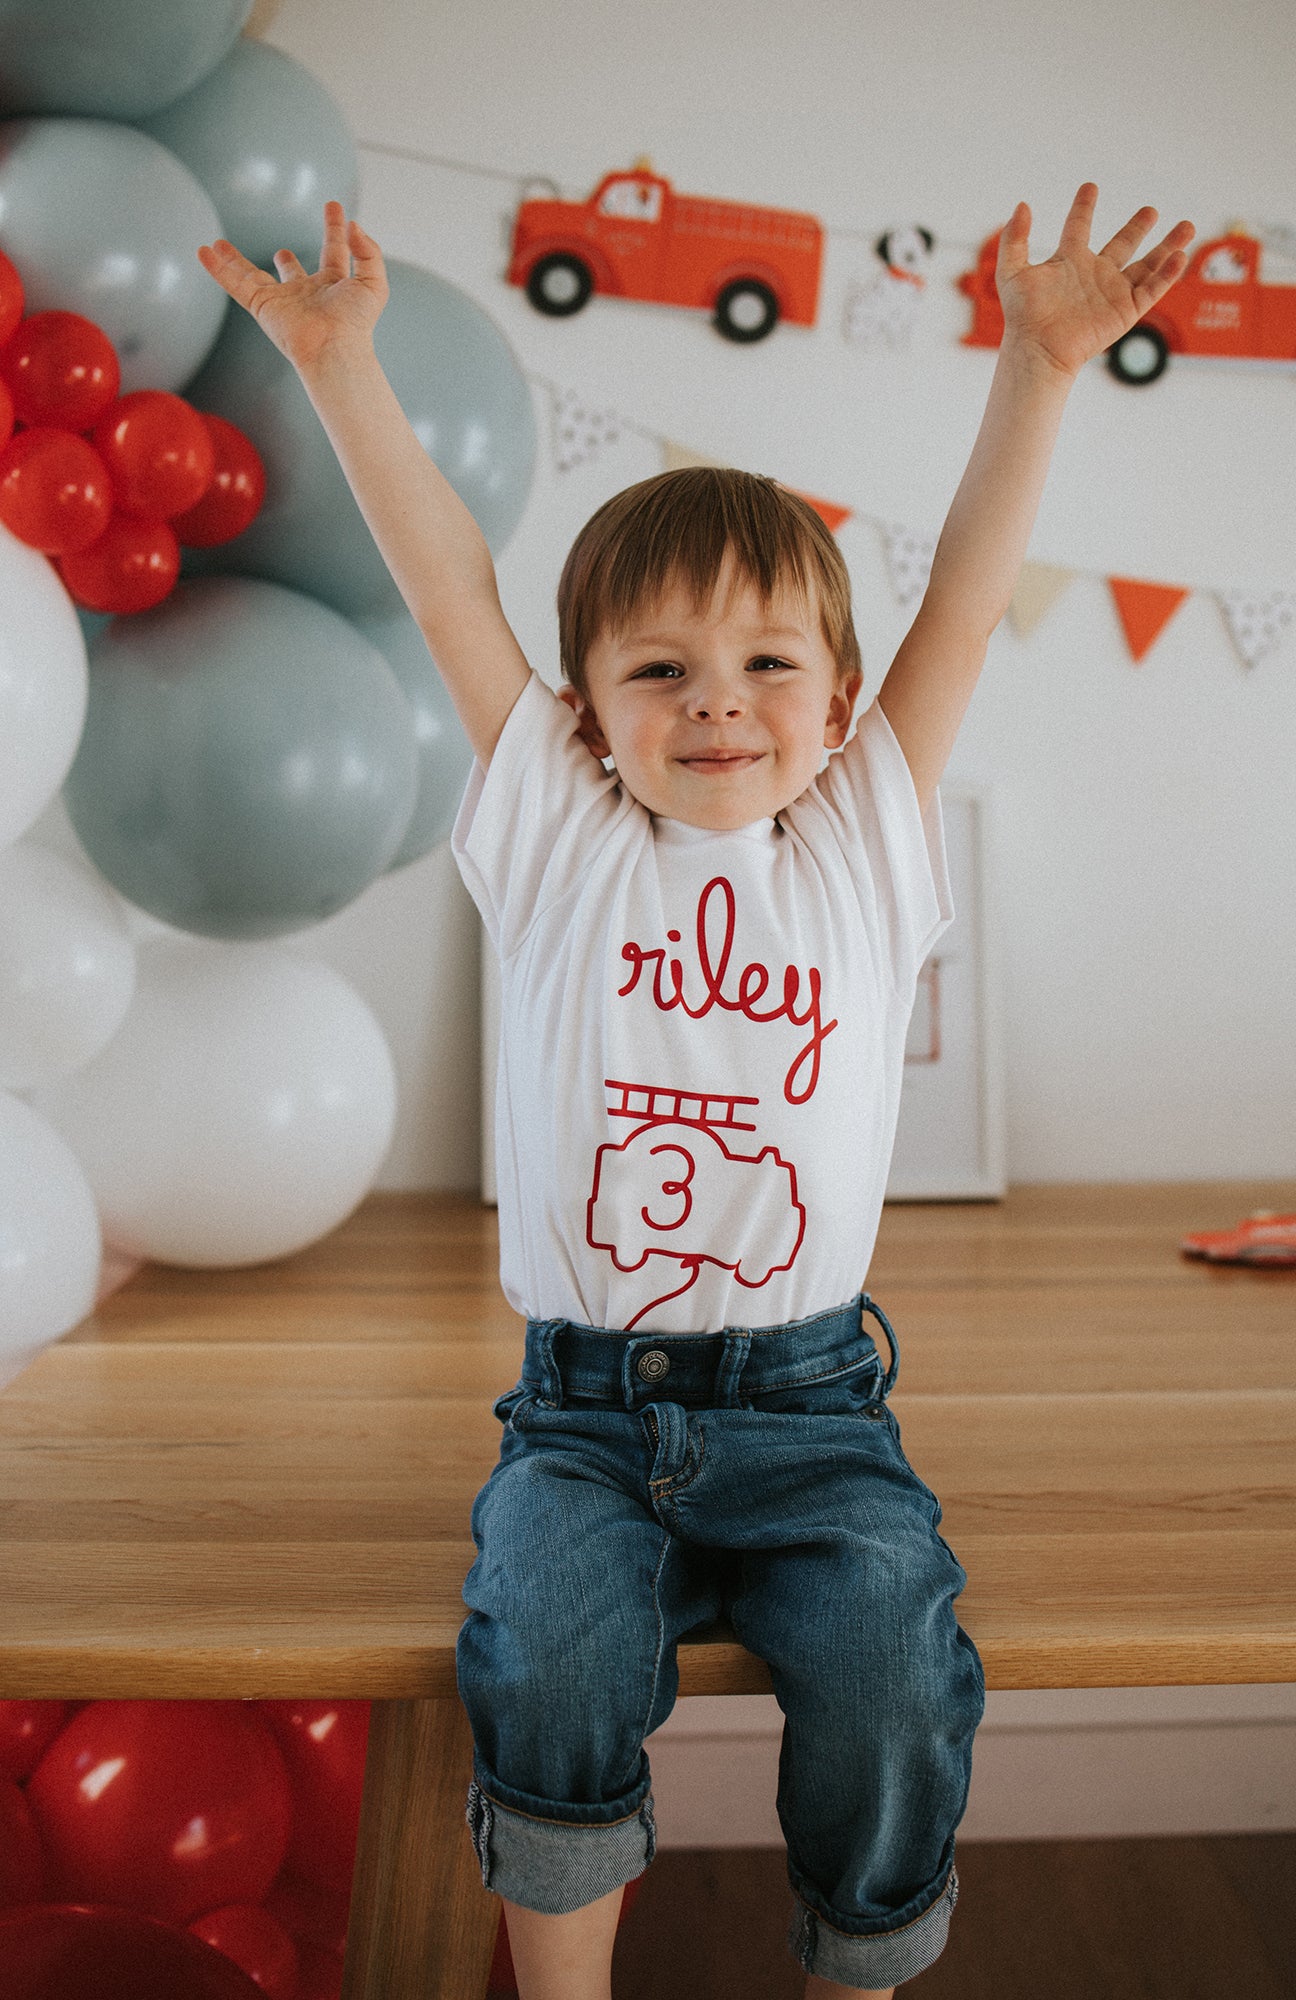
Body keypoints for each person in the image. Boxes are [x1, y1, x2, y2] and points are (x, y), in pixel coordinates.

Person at [199, 185, 1193, 1999]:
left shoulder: (864, 846)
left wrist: (1039, 367)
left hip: (813, 1413)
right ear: (583, 709)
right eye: (657, 668)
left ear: (834, 709)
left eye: (763, 668)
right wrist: (342, 370)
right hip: (582, 1419)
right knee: (546, 1657)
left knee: (897, 1662)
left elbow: (967, 597)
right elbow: (446, 583)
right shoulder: (564, 838)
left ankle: (856, 1970)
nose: (715, 704)